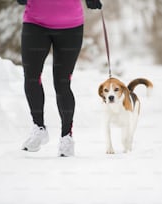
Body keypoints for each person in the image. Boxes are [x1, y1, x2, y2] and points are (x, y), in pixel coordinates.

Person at [18, 0, 102, 156]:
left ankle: (66, 137)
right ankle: (39, 127)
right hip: (35, 23)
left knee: (62, 83)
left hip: (70, 27)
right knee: (31, 77)